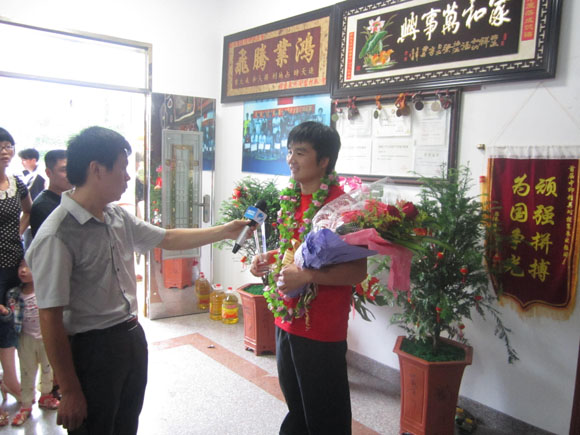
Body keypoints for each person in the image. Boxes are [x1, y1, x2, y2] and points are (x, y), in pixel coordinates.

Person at [25, 126, 247, 434]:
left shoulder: (115, 216)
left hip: (130, 338)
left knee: (126, 425)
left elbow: (167, 238)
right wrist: (71, 389)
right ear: (96, 169)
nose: (128, 177)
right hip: (92, 350)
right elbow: (49, 316)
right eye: (123, 167)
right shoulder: (57, 234)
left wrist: (225, 230)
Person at [250, 121, 366, 434]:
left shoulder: (345, 208)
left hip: (321, 328)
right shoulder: (290, 199)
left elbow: (358, 271)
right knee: (298, 409)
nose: (291, 159)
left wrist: (306, 276)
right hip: (285, 320)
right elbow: (294, 250)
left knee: (326, 418)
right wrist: (269, 259)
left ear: (324, 160)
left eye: (300, 153)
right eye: (289, 151)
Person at [1, 259, 59, 426]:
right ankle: (26, 404)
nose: (23, 270)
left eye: (29, 267)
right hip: (25, 339)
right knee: (27, 371)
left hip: (45, 337)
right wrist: (5, 312)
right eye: (21, 266)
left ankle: (45, 395)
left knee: (47, 368)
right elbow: (11, 317)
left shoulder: (45, 291)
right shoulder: (14, 294)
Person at [0, 127, 29, 406]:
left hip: (14, 262)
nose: (5, 151)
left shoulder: (17, 183)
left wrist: (17, 234)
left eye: (9, 145)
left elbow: (29, 211)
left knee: (13, 320)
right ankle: (9, 380)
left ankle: (11, 380)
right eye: (0, 146)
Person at [30, 149, 71, 238]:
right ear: (48, 173)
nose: (70, 174)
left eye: (72, 169)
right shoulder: (43, 206)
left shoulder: (71, 199)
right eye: (64, 170)